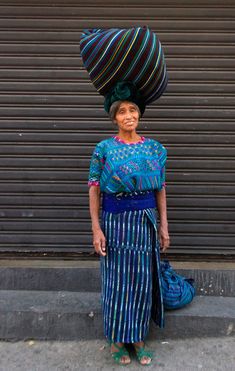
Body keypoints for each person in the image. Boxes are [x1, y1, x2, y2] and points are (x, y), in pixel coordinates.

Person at [88, 97, 170, 366]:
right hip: (115, 223)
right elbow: (94, 187)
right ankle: (117, 340)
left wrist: (164, 226)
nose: (128, 115)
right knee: (117, 282)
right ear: (114, 119)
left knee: (141, 280)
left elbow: (160, 189)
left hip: (145, 222)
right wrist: (96, 227)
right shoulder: (104, 149)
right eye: (121, 112)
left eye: (132, 110)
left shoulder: (155, 149)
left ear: (139, 114)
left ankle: (138, 338)